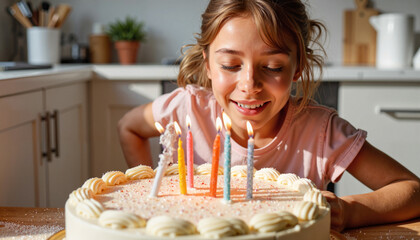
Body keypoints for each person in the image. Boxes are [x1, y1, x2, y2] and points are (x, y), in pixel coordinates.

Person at [118, 0, 420, 232]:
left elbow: (412, 190)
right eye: (230, 65)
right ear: (207, 63)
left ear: (298, 66)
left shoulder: (319, 131)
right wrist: (151, 189)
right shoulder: (187, 109)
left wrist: (350, 210)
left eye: (273, 66)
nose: (249, 84)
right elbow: (128, 126)